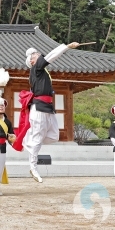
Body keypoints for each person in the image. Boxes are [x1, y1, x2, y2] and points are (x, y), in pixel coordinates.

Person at [17, 42, 80, 183]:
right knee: (37, 140)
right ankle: (33, 167)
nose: (37, 55)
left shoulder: (41, 71)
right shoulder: (37, 68)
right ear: (32, 61)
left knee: (54, 136)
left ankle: (30, 140)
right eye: (35, 55)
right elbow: (51, 56)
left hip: (47, 107)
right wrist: (67, 47)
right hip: (39, 108)